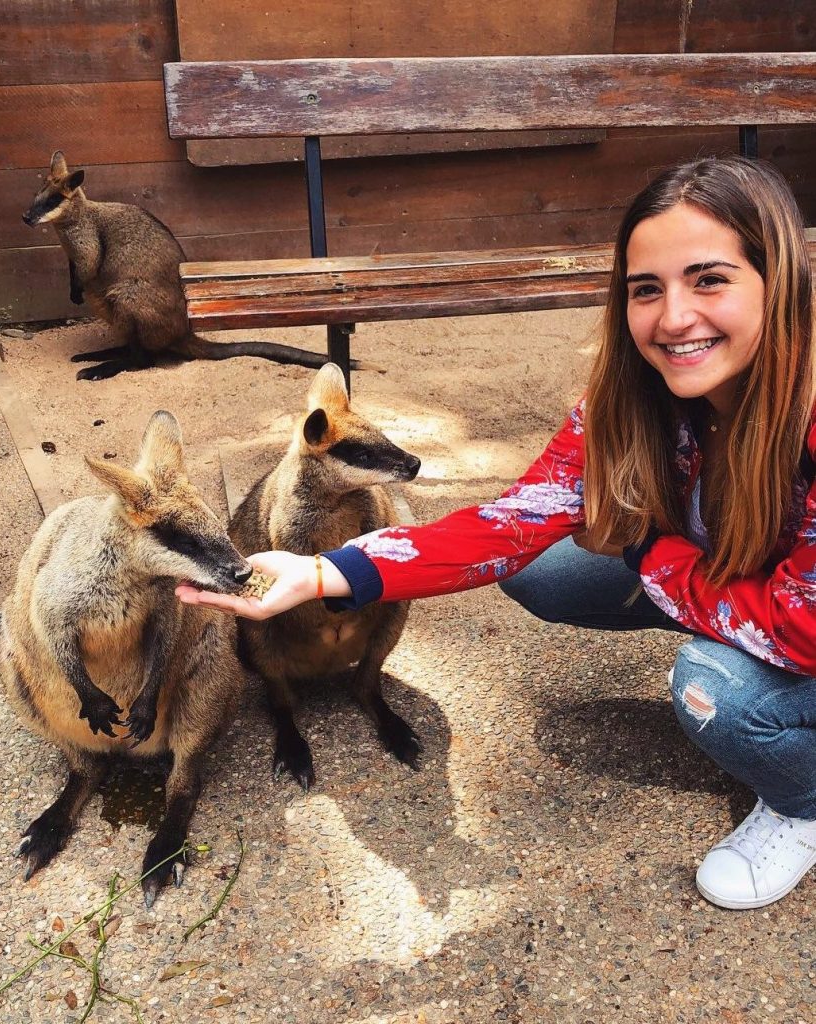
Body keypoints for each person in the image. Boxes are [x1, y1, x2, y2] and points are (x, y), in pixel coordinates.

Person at [177, 156, 816, 911]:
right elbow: (507, 525)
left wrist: (654, 556)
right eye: (646, 289)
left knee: (715, 691)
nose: (672, 317)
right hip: (735, 570)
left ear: (776, 280)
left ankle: (798, 800)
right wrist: (325, 574)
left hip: (796, 619)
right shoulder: (635, 395)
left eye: (708, 279)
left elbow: (795, 630)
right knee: (539, 567)